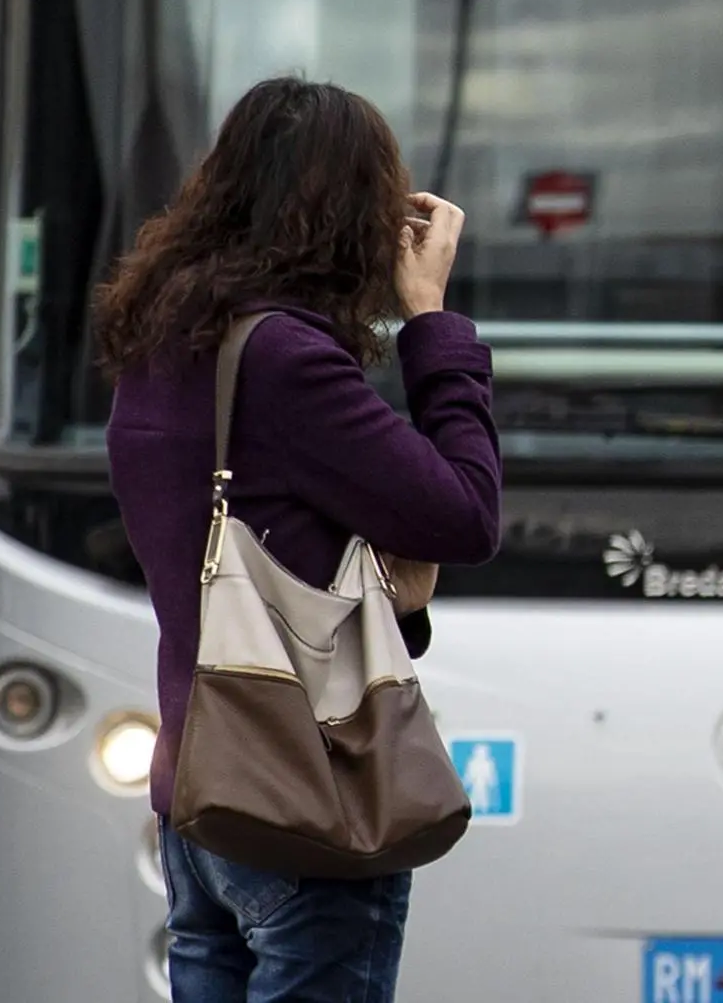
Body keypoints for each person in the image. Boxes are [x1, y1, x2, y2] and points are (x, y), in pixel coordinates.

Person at [99, 78, 501, 1003]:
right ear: (354, 215)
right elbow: (467, 512)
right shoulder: (286, 360)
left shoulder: (162, 341)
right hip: (305, 798)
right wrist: (432, 321)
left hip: (201, 793)